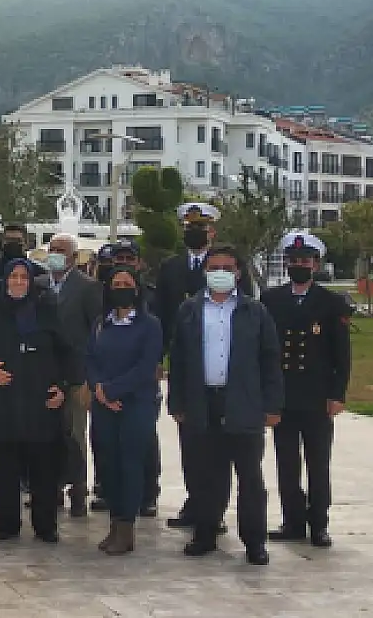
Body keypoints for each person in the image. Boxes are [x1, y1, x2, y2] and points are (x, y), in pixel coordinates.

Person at [167, 246, 282, 566]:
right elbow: (178, 360)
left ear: (238, 273)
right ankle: (205, 534)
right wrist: (178, 401)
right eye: (213, 266)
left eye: (227, 267)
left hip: (243, 402)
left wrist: (272, 405)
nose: (220, 272)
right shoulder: (189, 309)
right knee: (206, 475)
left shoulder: (254, 311)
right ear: (204, 271)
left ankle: (255, 542)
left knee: (249, 477)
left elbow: (270, 360)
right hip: (202, 402)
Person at [0, 257, 77, 542]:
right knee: (3, 467)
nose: (18, 282)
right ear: (5, 280)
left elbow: (66, 352)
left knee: (43, 470)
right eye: (13, 277)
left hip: (40, 402)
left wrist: (62, 387)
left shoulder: (45, 310)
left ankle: (45, 524)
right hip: (0, 402)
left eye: (24, 278)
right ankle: (7, 523)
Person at [160, 202, 253, 531]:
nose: (194, 231)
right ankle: (196, 503)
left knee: (224, 450)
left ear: (212, 231)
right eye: (189, 226)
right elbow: (162, 314)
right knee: (192, 444)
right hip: (188, 367)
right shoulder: (170, 268)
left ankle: (214, 511)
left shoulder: (229, 267)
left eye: (200, 227)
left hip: (226, 375)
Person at [262, 232, 351, 548]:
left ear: (316, 264)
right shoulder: (271, 300)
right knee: (286, 463)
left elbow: (342, 354)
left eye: (305, 261)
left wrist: (337, 394)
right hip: (283, 395)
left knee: (318, 463)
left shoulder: (331, 302)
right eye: (294, 260)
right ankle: (293, 521)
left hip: (316, 396)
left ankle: (319, 524)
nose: (298, 265)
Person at [86, 265, 163, 556]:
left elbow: (145, 368)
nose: (121, 288)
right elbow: (90, 358)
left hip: (136, 403)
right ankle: (114, 523)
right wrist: (99, 389)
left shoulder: (149, 325)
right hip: (104, 403)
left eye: (127, 283)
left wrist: (113, 390)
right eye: (116, 284)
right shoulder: (100, 323)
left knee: (130, 464)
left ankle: (127, 527)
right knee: (107, 463)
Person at [46, 232, 103, 518]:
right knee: (49, 434)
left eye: (60, 250)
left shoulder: (88, 287)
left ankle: (78, 489)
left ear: (72, 256)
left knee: (75, 435)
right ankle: (51, 487)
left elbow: (96, 332)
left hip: (77, 375)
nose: (55, 254)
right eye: (51, 249)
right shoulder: (39, 285)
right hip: (46, 374)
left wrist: (90, 378)